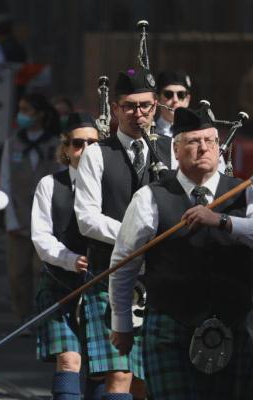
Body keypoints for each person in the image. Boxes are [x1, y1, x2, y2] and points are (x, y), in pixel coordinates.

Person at [109, 106, 253, 399]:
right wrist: (122, 324)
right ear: (176, 151)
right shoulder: (150, 198)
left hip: (231, 328)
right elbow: (124, 264)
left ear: (219, 148)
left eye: (210, 141)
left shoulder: (244, 192)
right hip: (170, 330)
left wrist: (222, 221)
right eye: (193, 142)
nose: (203, 148)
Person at [74, 68, 177, 400]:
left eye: (146, 105)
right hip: (110, 274)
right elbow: (87, 219)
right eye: (130, 106)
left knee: (146, 377)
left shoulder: (170, 152)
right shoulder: (96, 154)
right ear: (115, 109)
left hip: (158, 280)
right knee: (119, 374)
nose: (139, 113)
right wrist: (136, 236)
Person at [32, 112, 101, 400]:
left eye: (92, 144)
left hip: (103, 285)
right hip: (60, 282)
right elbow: (41, 237)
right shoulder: (50, 185)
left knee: (102, 367)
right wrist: (70, 259)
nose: (84, 150)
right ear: (65, 148)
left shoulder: (112, 185)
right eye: (77, 143)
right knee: (69, 360)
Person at [0, 92, 61, 328]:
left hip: (48, 220)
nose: (22, 115)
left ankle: (43, 315)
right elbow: (5, 183)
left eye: (28, 110)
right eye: (21, 110)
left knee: (42, 269)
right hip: (20, 216)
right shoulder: (12, 143)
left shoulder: (56, 144)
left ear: (41, 114)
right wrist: (10, 219)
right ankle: (23, 315)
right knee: (17, 273)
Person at [155, 70, 192, 137]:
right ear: (158, 99)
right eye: (168, 94)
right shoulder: (149, 132)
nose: (175, 100)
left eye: (181, 95)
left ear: (187, 100)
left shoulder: (197, 132)